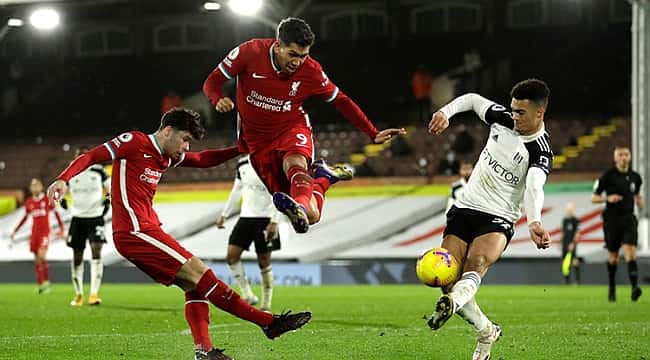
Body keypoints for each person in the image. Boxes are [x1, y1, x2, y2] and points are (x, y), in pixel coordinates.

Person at [46, 108, 311, 360]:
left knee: (193, 284)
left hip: (147, 228)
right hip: (134, 230)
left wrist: (240, 149)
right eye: (185, 139)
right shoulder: (135, 142)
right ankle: (268, 322)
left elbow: (203, 159)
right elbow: (92, 156)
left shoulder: (166, 156)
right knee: (202, 274)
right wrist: (62, 179)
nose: (186, 147)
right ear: (168, 131)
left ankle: (204, 351)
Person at [203, 17, 405, 234]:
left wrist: (372, 133)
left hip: (292, 128)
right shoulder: (249, 52)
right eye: (293, 54)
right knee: (311, 216)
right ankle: (324, 178)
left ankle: (298, 203)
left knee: (295, 164)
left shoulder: (311, 71)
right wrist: (217, 99)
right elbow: (211, 82)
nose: (297, 62)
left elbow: (341, 100)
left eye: (303, 56)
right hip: (258, 144)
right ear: (277, 45)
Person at [427, 79, 553, 360]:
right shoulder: (503, 119)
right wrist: (446, 112)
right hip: (466, 208)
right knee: (447, 278)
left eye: (521, 112)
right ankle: (486, 331)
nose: (514, 116)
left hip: (498, 217)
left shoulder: (541, 151)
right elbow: (472, 99)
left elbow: (534, 188)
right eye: (513, 110)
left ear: (539, 113)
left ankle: (452, 303)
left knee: (477, 263)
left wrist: (534, 221)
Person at [217, 155, 281, 312]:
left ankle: (266, 303)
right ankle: (247, 295)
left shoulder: (272, 162)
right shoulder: (242, 163)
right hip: (246, 218)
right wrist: (225, 214)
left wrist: (275, 221)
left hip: (266, 218)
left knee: (264, 261)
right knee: (231, 256)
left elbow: (280, 192)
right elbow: (237, 189)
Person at [592, 145, 644, 302]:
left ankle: (634, 288)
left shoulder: (635, 177)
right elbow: (594, 197)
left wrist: (640, 202)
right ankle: (612, 287)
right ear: (615, 158)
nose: (623, 157)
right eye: (620, 155)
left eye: (626, 154)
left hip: (629, 218)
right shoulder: (608, 176)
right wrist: (607, 198)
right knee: (613, 256)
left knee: (630, 252)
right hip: (612, 219)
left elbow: (637, 195)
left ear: (630, 156)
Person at [60, 146, 111, 306]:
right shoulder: (71, 172)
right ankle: (79, 294)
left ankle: (94, 294)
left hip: (95, 216)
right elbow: (61, 189)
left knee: (96, 250)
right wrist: (62, 200)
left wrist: (108, 199)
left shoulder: (99, 171)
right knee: (77, 256)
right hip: (77, 218)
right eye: (78, 156)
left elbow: (110, 187)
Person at [10, 178, 65, 294]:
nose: (35, 187)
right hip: (34, 233)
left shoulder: (47, 200)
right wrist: (15, 231)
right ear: (30, 188)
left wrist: (62, 229)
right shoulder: (29, 202)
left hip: (44, 232)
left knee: (42, 256)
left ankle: (47, 282)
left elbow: (57, 214)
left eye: (37, 185)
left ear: (41, 187)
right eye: (33, 185)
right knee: (36, 260)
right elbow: (25, 218)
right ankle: (40, 284)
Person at [561, 202, 581, 285]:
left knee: (574, 261)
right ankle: (567, 281)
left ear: (573, 210)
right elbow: (563, 233)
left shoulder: (576, 220)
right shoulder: (564, 220)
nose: (569, 211)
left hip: (572, 245)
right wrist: (561, 242)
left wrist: (573, 243)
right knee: (565, 263)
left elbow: (577, 233)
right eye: (568, 209)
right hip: (565, 244)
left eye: (570, 209)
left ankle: (577, 281)